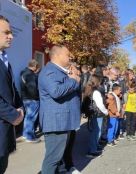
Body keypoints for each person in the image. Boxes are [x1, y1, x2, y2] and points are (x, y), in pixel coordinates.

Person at [38, 45, 81, 174]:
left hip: (62, 121)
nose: (70, 57)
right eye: (67, 54)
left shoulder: (61, 71)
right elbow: (56, 91)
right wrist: (73, 80)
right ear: (57, 55)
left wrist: (74, 77)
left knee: (57, 159)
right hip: (56, 122)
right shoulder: (49, 71)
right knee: (52, 159)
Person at [0, 15, 24, 174]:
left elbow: (10, 88)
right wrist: (14, 115)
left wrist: (20, 107)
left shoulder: (4, 59)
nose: (11, 36)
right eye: (6, 32)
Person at [84, 75, 108, 158]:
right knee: (96, 132)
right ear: (98, 82)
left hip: (93, 114)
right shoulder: (96, 92)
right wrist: (106, 111)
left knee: (95, 132)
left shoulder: (88, 90)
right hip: (97, 114)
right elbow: (100, 104)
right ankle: (92, 151)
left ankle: (94, 147)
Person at [20, 59, 41, 143]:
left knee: (28, 117)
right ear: (35, 66)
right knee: (31, 118)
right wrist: (37, 98)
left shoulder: (23, 72)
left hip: (25, 98)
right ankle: (29, 137)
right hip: (32, 99)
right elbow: (32, 89)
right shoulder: (30, 74)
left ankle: (25, 134)